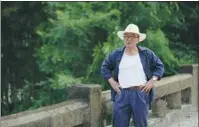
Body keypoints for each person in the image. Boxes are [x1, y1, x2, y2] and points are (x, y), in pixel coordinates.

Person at [101, 24, 164, 127]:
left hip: (140, 92)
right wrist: (112, 82)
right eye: (126, 36)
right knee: (118, 124)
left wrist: (151, 82)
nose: (129, 39)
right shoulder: (116, 54)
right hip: (122, 93)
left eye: (132, 36)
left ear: (138, 39)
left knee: (141, 124)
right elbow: (105, 67)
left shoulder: (146, 53)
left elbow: (159, 66)